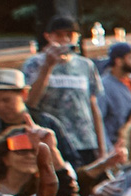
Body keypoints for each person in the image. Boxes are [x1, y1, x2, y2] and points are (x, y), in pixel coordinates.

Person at [21, 17, 105, 164]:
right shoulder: (33, 64)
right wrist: (47, 66)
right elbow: (30, 101)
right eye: (59, 35)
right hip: (52, 141)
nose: (64, 39)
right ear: (48, 36)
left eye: (70, 35)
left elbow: (92, 106)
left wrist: (101, 147)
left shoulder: (86, 65)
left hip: (84, 142)